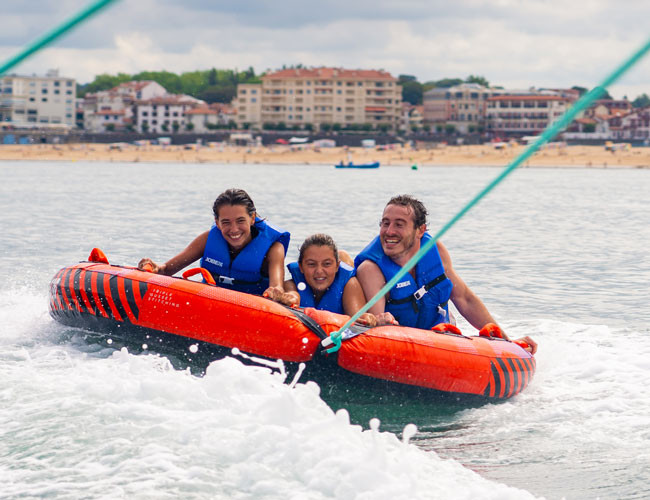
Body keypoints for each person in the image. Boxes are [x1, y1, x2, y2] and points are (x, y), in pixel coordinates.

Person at [354, 194, 537, 354]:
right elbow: (378, 326)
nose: (389, 231)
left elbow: (464, 299)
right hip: (404, 345)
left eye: (399, 225)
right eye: (385, 223)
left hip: (442, 338)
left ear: (420, 230)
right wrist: (382, 321)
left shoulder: (436, 251)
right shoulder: (371, 269)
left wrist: (507, 341)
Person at [138, 188, 290, 297]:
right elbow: (166, 270)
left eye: (240, 221)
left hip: (253, 308)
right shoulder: (207, 239)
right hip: (211, 303)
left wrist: (276, 292)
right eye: (226, 222)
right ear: (217, 223)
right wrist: (155, 267)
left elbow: (276, 287)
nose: (234, 229)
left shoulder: (273, 248)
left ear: (252, 218)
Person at [264, 234, 391, 327]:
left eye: (327, 264)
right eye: (311, 264)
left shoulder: (349, 284)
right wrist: (288, 298)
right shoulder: (292, 284)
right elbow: (293, 296)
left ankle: (344, 258)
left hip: (337, 340)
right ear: (301, 267)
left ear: (337, 266)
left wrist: (367, 318)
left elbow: (357, 315)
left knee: (344, 257)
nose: (319, 271)